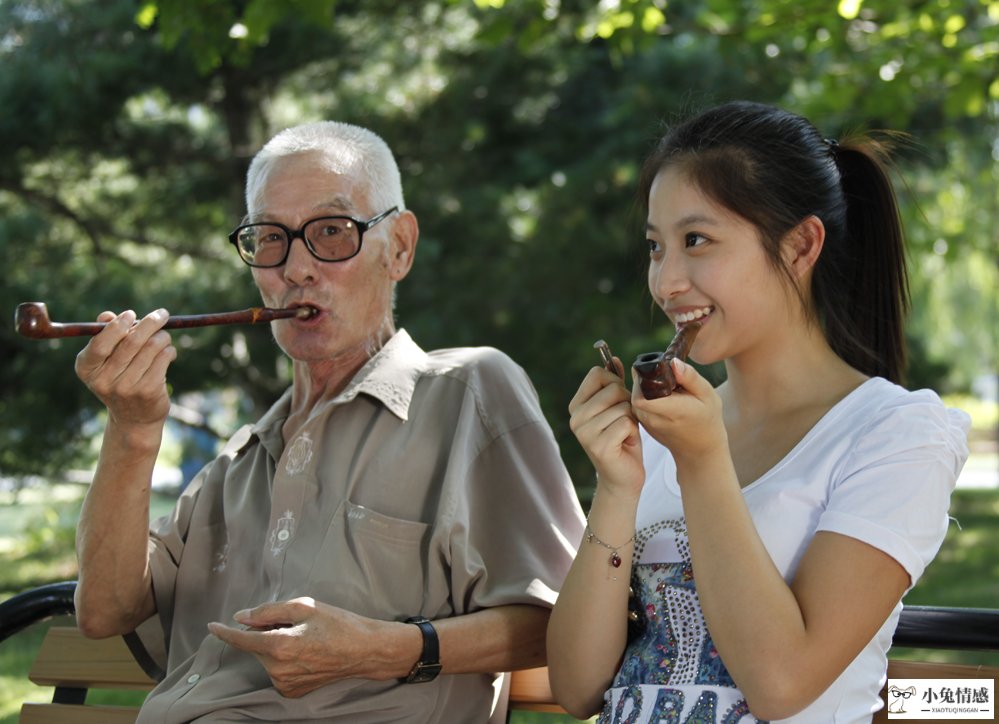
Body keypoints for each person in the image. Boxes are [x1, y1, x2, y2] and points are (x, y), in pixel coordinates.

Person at [73, 121, 586, 723]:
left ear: (399, 246)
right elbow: (103, 611)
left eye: (331, 233)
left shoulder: (467, 391)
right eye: (270, 238)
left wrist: (382, 651)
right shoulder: (238, 461)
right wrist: (132, 432)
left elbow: (568, 626)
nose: (297, 268)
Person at [546, 101, 970, 723]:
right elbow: (579, 687)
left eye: (697, 240)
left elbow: (781, 683)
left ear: (800, 246)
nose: (666, 282)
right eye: (656, 247)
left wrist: (702, 461)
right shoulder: (669, 432)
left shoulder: (896, 435)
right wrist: (616, 487)